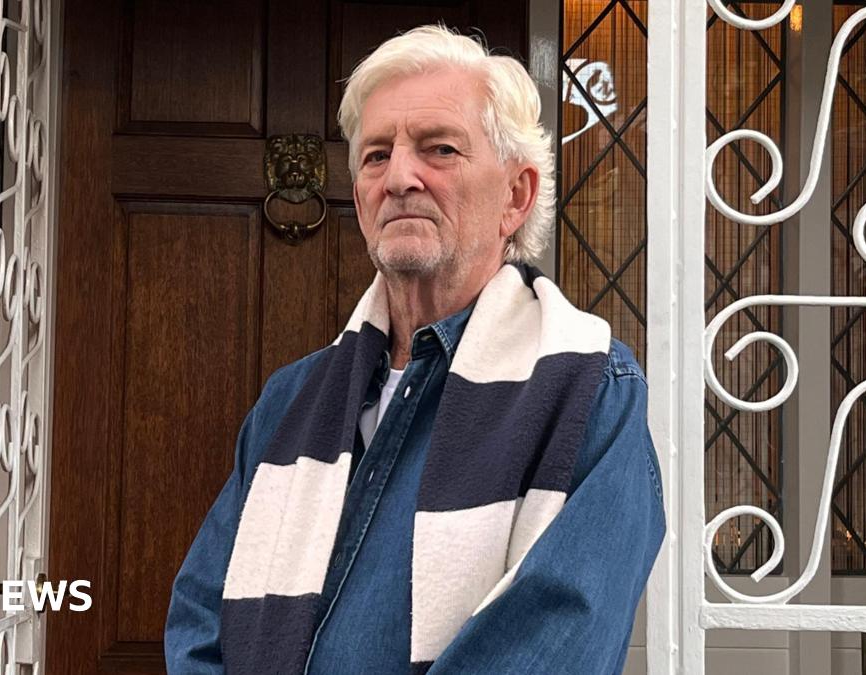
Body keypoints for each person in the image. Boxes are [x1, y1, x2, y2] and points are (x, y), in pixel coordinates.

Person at [164, 24, 665, 675]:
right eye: (376, 155)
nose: (399, 176)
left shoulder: (590, 393)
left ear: (516, 194)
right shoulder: (290, 401)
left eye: (440, 149)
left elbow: (548, 645)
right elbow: (200, 619)